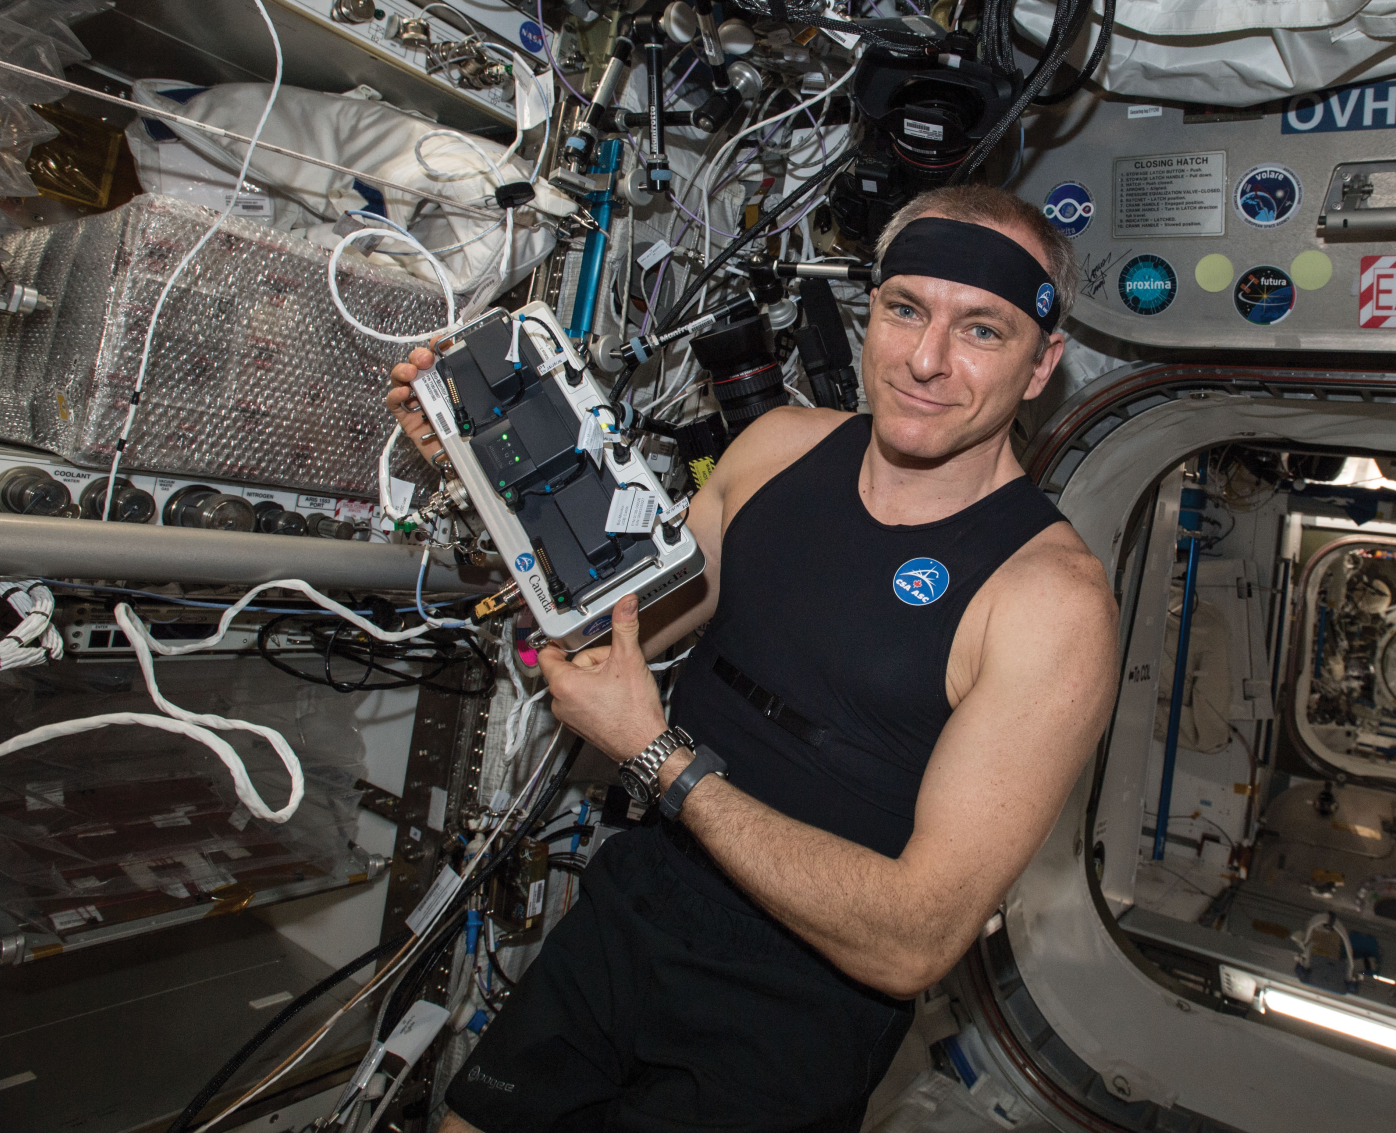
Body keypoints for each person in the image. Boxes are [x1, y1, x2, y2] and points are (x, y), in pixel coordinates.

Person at [385, 184, 1120, 1132]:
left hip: (798, 1004)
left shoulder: (1051, 603)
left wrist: (658, 757)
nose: (927, 360)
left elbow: (914, 938)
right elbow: (591, 640)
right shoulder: (776, 449)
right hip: (641, 898)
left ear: (1040, 364)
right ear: (871, 314)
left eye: (981, 330)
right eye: (906, 310)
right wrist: (478, 469)